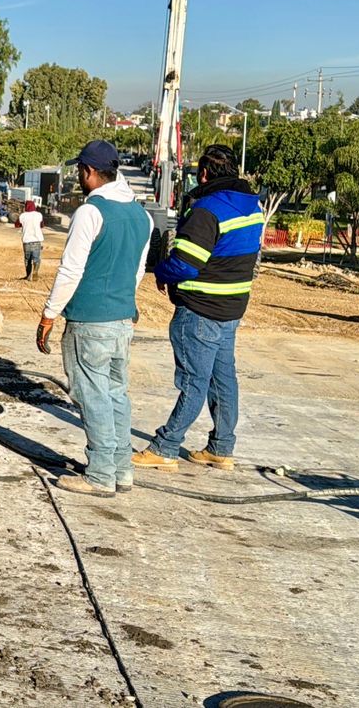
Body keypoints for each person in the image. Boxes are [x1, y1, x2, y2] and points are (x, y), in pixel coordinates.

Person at [135, 144, 263, 474]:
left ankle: (165, 447)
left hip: (201, 308)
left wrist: (162, 272)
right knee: (223, 380)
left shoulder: (207, 210)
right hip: (232, 307)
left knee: (194, 381)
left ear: (203, 174)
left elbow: (187, 264)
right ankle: (221, 448)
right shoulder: (253, 206)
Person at [36, 141, 153, 497]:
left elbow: (71, 269)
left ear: (88, 172)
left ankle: (100, 473)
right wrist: (127, 305)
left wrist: (49, 314)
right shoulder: (141, 214)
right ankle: (121, 469)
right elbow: (138, 269)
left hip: (89, 318)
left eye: (79, 171)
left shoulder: (91, 212)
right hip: (121, 319)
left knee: (91, 393)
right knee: (116, 392)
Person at [16, 199, 45, 281]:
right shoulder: (38, 215)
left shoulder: (22, 216)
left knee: (27, 260)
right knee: (36, 258)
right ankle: (35, 271)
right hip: (37, 240)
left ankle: (28, 275)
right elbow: (42, 225)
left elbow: (16, 225)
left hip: (27, 241)